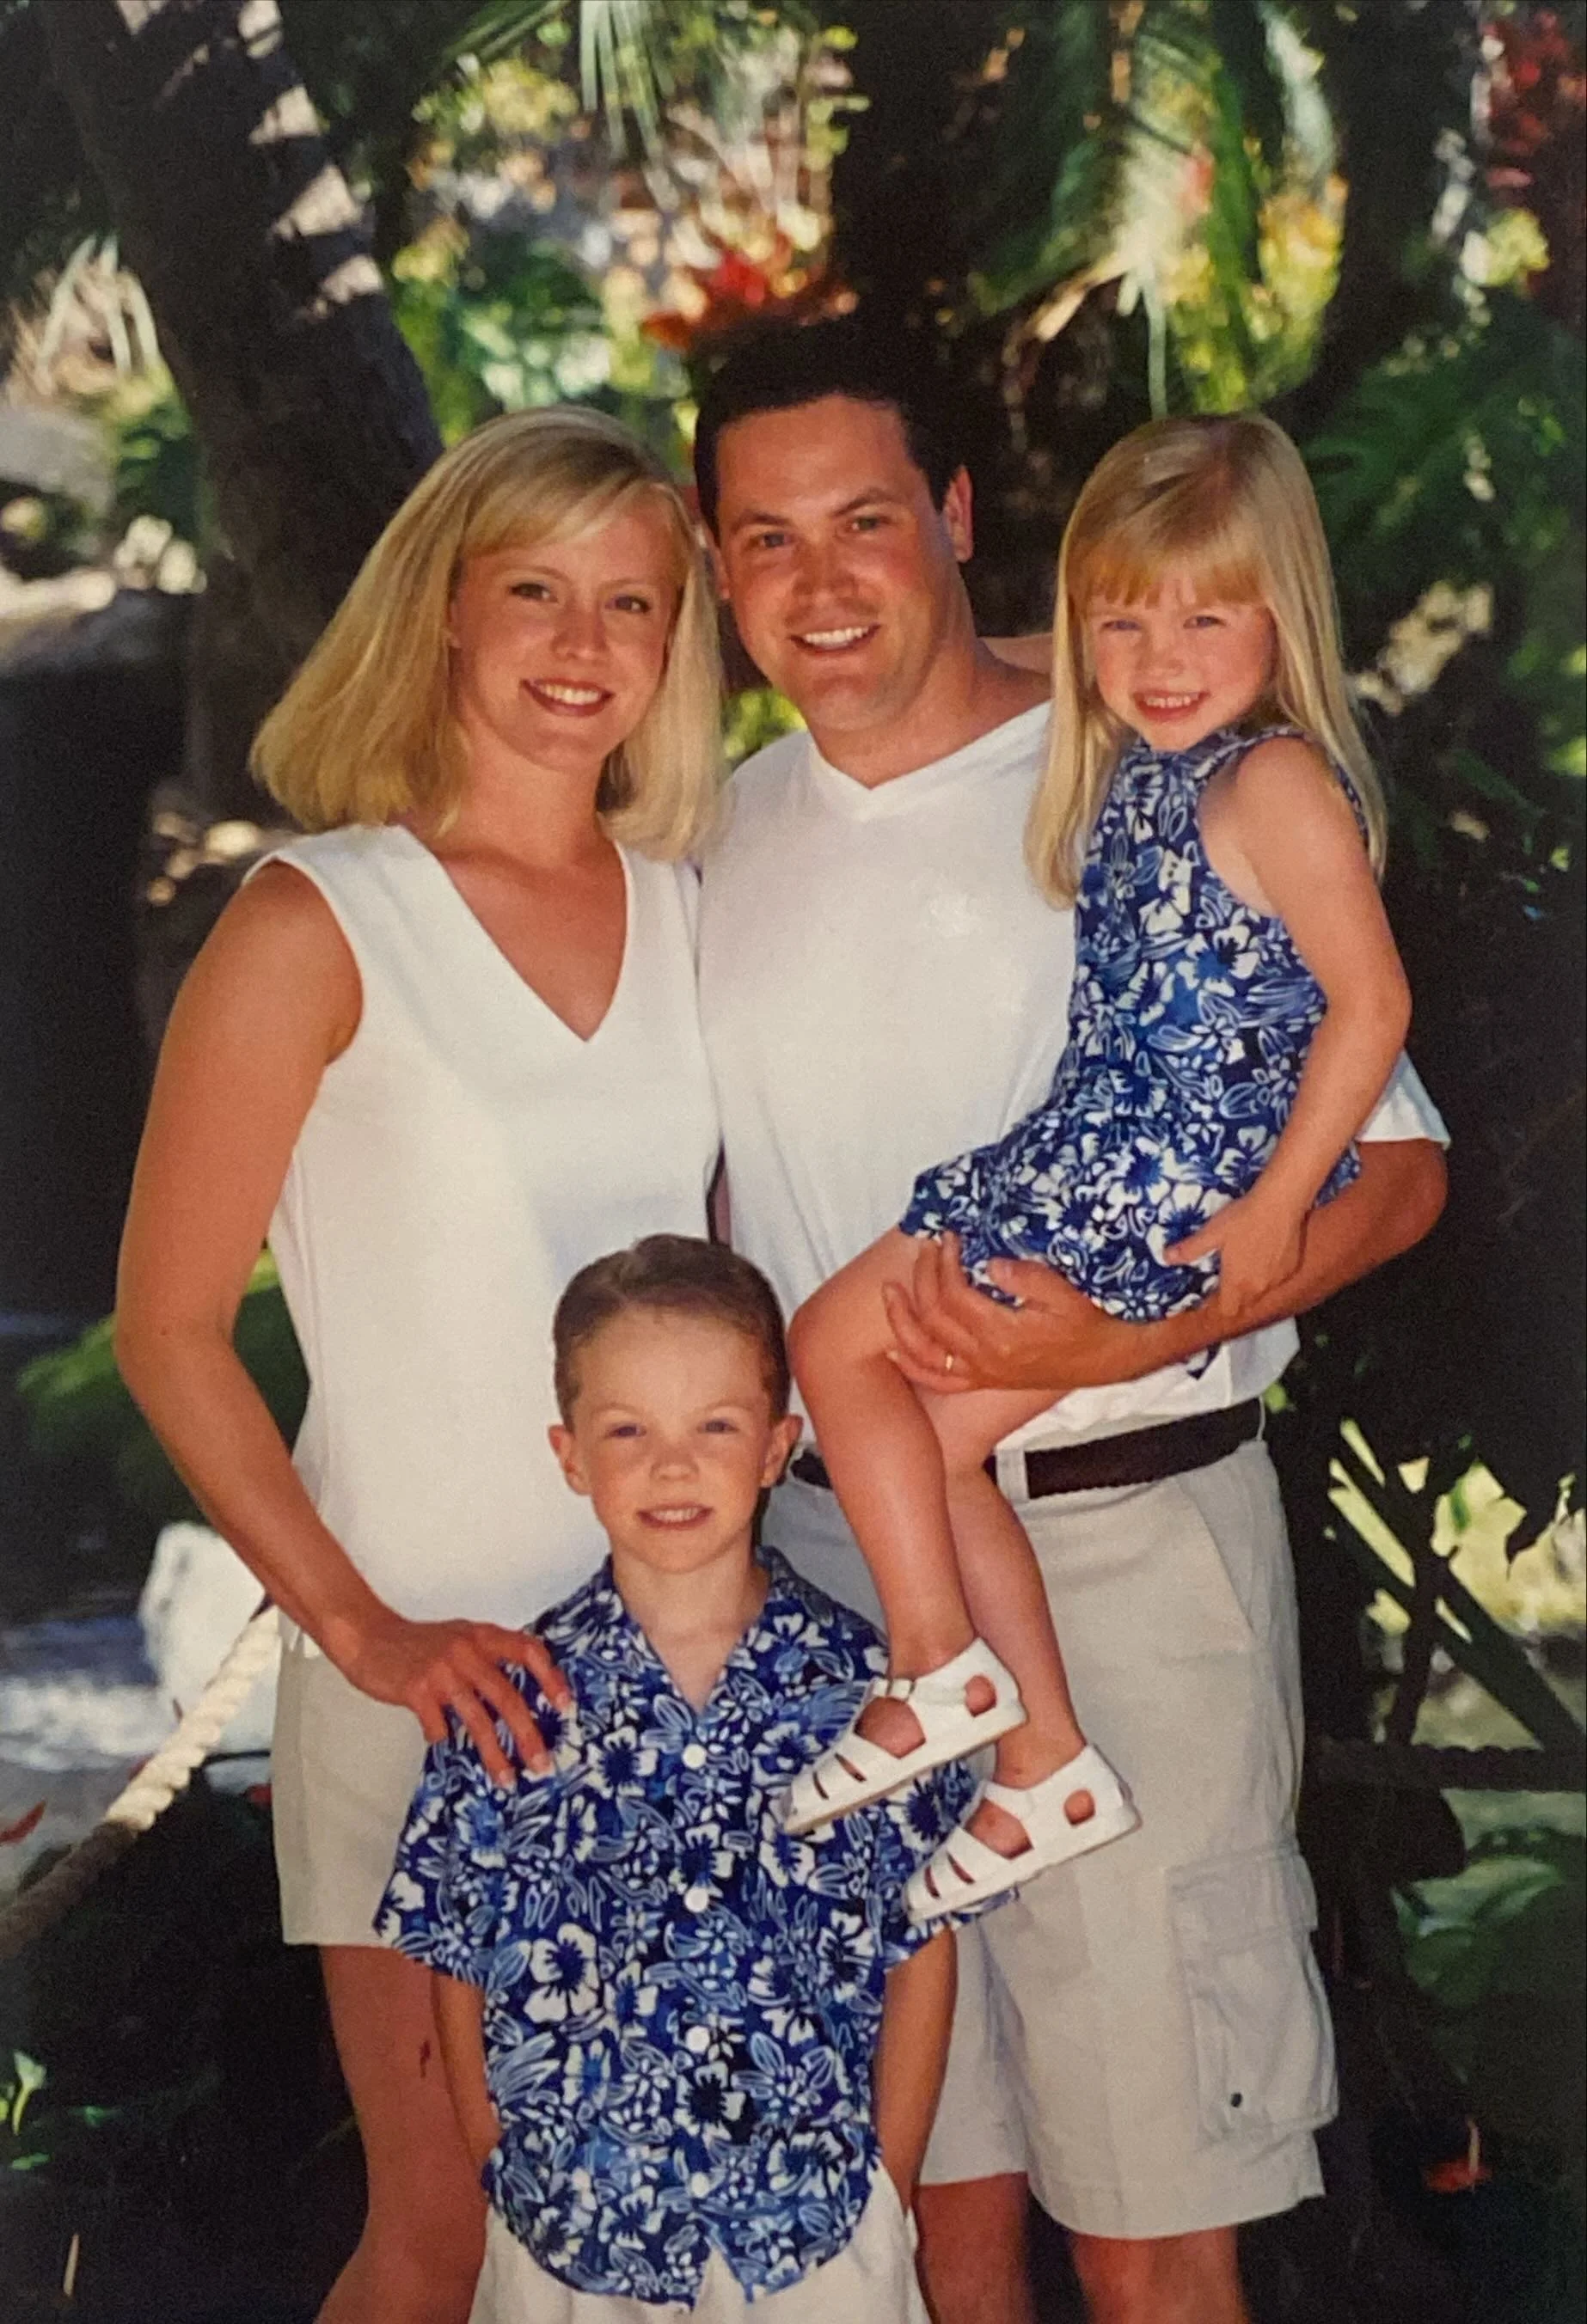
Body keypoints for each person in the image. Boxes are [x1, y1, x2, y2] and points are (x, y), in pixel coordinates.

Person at [691, 315, 1449, 2324]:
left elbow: (1393, 1169)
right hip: (834, 1578)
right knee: (923, 2202)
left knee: (1144, 2209)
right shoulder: (711, 836)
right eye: (760, 537)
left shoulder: (1145, 763)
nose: (819, 576)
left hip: (1112, 1534)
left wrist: (1113, 1341)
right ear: (712, 568)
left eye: (863, 516)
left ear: (954, 517)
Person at [113, 410, 725, 2324]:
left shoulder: (693, 911)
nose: (580, 637)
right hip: (434, 1669)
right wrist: (367, 1635)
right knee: (447, 2220)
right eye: (532, 587)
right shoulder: (315, 917)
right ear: (444, 611)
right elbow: (166, 1325)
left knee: (657, 2217)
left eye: (630, 599)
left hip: (675, 1675)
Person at [783, 413, 1412, 1929]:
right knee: (929, 1436)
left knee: (830, 1343)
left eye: (1206, 614)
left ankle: (940, 1668)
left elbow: (1371, 1003)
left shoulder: (1268, 786)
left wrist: (1272, 1208)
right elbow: (1046, 642)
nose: (1160, 650)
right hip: (1094, 1152)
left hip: (1135, 1186)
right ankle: (1043, 1757)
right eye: (1119, 617)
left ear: (1284, 616)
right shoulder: (1139, 757)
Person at [378, 1234, 966, 2323]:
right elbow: (459, 1954)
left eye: (715, 1427)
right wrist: (500, 2163)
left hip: (814, 2230)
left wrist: (888, 2181)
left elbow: (921, 1943)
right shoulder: (511, 1704)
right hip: (572, 2233)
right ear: (568, 1455)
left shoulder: (863, 1691)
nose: (672, 1464)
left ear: (776, 1446)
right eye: (627, 1431)